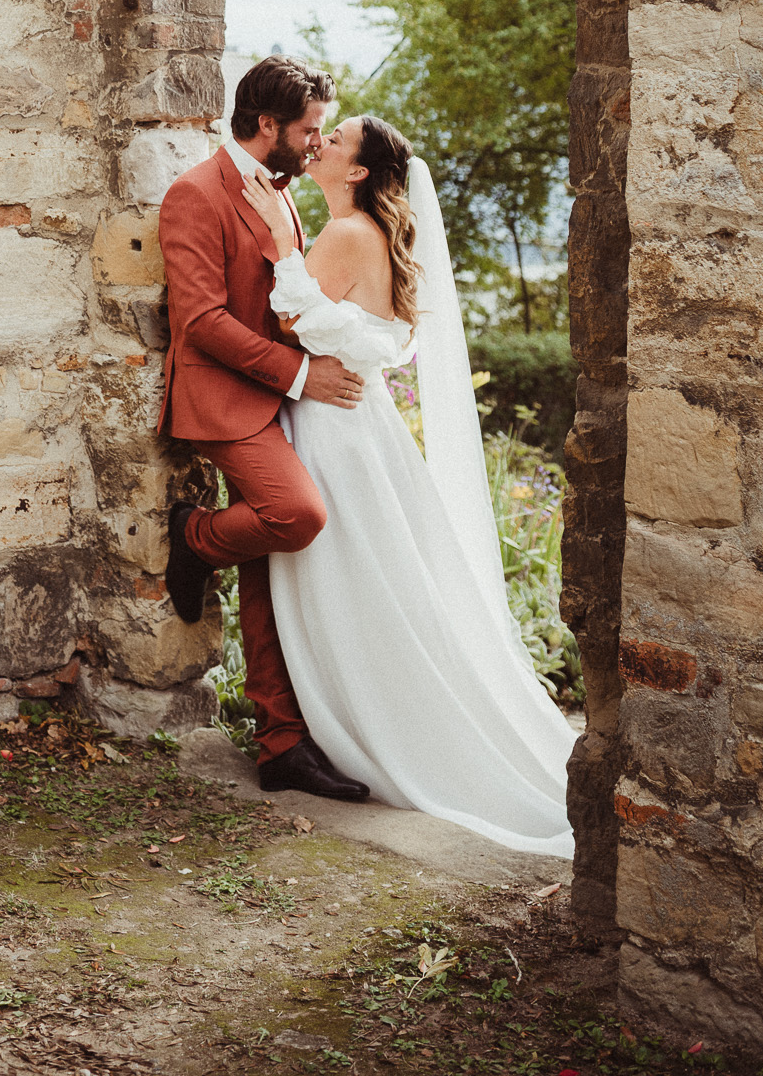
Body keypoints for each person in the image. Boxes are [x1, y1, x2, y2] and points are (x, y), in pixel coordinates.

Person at [238, 114, 576, 858]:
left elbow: (290, 317)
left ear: (357, 172)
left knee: (349, 574)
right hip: (356, 419)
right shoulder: (366, 233)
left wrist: (276, 245)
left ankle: (364, 722)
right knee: (375, 571)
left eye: (336, 140)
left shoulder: (349, 233)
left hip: (331, 420)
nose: (318, 143)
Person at [156, 56, 372, 803]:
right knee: (295, 516)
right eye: (308, 130)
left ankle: (281, 742)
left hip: (278, 397)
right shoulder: (192, 195)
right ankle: (193, 538)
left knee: (270, 566)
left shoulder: (281, 193)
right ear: (266, 124)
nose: (315, 144)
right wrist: (304, 377)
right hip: (224, 399)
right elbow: (202, 322)